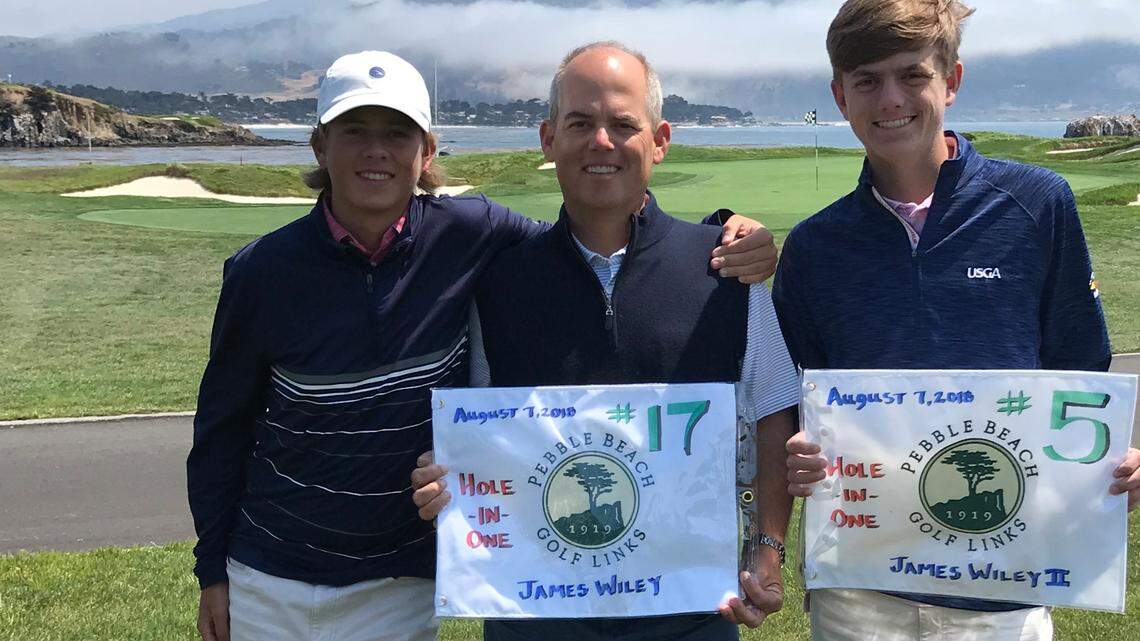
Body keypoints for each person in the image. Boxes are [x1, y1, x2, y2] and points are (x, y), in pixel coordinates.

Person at [187, 50, 779, 641]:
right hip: (296, 576)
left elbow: (771, 410)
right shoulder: (271, 272)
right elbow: (222, 430)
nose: (377, 152)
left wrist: (723, 230)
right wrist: (212, 569)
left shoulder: (478, 239)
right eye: (354, 132)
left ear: (427, 152)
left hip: (651, 609)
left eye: (398, 134)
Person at [773, 2, 1140, 640]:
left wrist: (1112, 457)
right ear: (840, 96)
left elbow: (1081, 373)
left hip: (1006, 586)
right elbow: (796, 401)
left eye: (912, 75)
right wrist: (800, 453)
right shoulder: (813, 247)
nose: (891, 99)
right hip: (863, 587)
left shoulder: (1037, 204)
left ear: (953, 79)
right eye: (866, 80)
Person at [412, 41, 800, 641]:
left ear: (660, 140)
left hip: (689, 612)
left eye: (623, 124)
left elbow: (774, 410)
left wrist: (769, 548)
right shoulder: (500, 283)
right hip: (537, 613)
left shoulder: (724, 269)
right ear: (547, 139)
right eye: (580, 123)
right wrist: (449, 481)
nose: (601, 142)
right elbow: (478, 433)